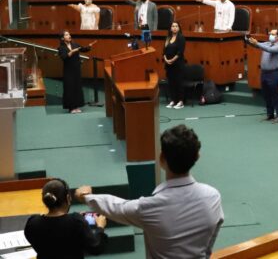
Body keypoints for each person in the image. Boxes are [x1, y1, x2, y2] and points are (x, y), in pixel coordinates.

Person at [76, 125, 224, 258]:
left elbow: (115, 206)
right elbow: (209, 245)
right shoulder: (213, 197)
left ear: (161, 159)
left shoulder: (148, 208)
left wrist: (85, 196)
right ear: (197, 156)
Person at [25, 178, 107, 259]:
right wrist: (100, 227)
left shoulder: (33, 223)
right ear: (68, 198)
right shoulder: (76, 222)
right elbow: (96, 248)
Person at [249, 29, 278, 122]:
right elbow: (259, 46)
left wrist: (257, 43)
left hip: (273, 73)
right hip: (264, 73)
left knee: (275, 95)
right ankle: (270, 114)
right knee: (266, 95)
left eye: (272, 34)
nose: (270, 35)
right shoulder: (267, 43)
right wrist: (250, 41)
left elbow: (269, 50)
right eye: (270, 34)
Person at [57, 31, 94, 114]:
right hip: (68, 71)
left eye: (69, 34)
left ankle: (77, 106)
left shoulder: (75, 44)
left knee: (77, 87)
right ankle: (71, 108)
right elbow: (64, 57)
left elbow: (83, 49)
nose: (69, 35)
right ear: (62, 38)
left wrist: (89, 46)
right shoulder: (61, 48)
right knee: (69, 88)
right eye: (66, 34)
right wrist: (73, 51)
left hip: (76, 69)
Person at [163, 22, 186, 109]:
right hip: (168, 65)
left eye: (176, 26)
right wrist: (166, 59)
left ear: (179, 28)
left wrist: (172, 60)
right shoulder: (168, 38)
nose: (174, 28)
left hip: (178, 65)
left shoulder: (181, 38)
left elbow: (180, 52)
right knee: (171, 83)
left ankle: (180, 101)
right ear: (170, 28)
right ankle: (173, 100)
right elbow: (164, 51)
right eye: (173, 26)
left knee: (178, 83)